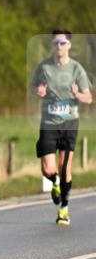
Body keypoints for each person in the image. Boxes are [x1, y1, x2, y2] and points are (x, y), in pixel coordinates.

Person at [30, 29, 92, 226]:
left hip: (69, 123)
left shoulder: (76, 69)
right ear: (52, 45)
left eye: (63, 42)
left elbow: (88, 97)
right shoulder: (44, 67)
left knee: (64, 168)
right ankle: (55, 184)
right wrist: (37, 91)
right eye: (56, 42)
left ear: (69, 45)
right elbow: (32, 87)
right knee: (48, 169)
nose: (59, 46)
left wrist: (77, 95)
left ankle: (64, 208)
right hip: (48, 123)